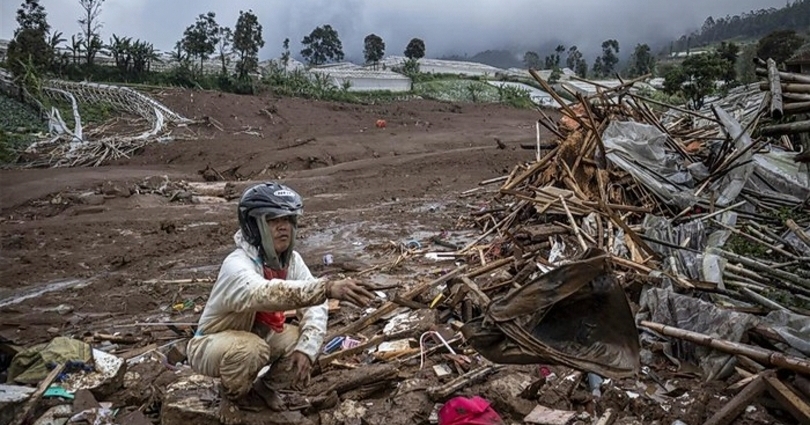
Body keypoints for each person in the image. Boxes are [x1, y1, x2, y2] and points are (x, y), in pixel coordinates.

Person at [186, 182, 376, 424]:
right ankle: (231, 396)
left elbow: (315, 308)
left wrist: (307, 349)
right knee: (251, 349)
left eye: (288, 219)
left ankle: (263, 387)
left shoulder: (291, 261)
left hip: (256, 337)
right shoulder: (237, 264)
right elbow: (265, 293)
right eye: (273, 220)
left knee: (301, 338)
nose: (283, 227)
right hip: (210, 344)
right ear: (255, 225)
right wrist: (326, 288)